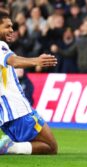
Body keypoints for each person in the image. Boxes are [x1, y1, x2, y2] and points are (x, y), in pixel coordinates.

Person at [0, 10, 58, 155]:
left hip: (7, 113)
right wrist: (36, 61)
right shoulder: (1, 46)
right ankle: (9, 147)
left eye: (12, 26)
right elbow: (13, 61)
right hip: (17, 110)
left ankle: (10, 145)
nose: (11, 30)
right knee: (50, 147)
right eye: (7, 26)